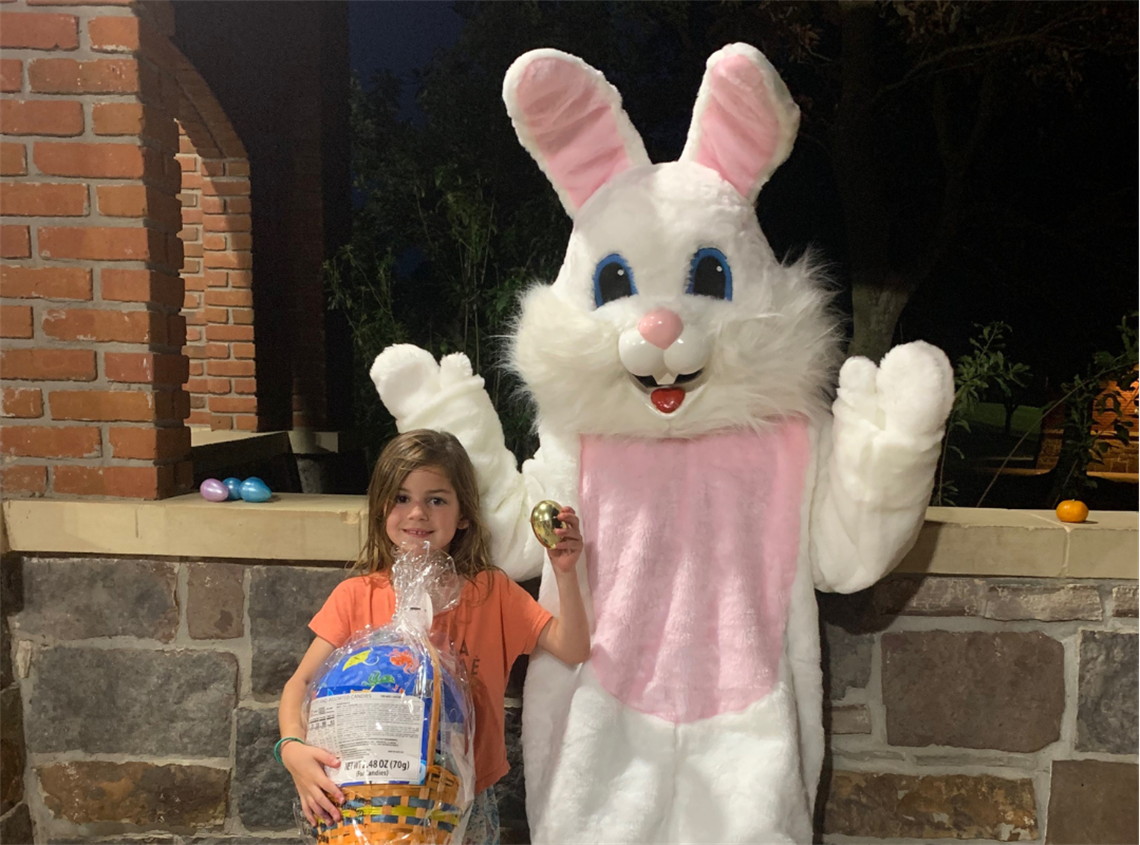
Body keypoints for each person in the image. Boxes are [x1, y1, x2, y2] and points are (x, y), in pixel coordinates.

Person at [277, 429, 590, 844]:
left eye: (436, 500)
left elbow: (573, 647)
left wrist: (565, 571)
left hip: (465, 800)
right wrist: (292, 748)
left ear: (463, 514)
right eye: (401, 498)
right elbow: (300, 684)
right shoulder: (356, 597)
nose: (417, 513)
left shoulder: (491, 595)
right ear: (380, 509)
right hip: (368, 802)